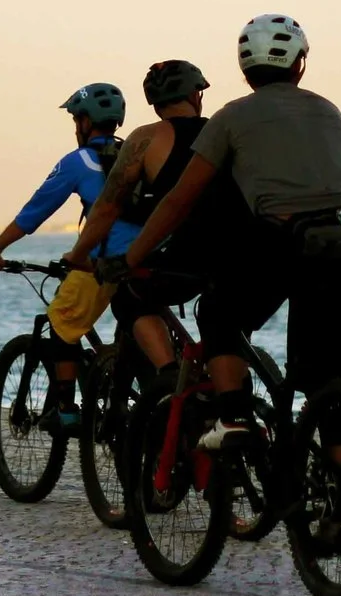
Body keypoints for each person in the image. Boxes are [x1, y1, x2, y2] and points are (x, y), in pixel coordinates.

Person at [118, 15, 341, 506]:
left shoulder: (232, 117)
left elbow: (180, 199)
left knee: (218, 313)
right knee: (326, 378)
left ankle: (234, 417)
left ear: (244, 68)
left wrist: (132, 255)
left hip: (280, 238)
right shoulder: (330, 110)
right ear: (300, 65)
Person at [63, 59, 247, 377]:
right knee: (224, 323)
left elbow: (108, 207)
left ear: (154, 102)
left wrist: (78, 255)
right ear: (196, 96)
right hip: (239, 255)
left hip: (183, 260)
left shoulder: (145, 138)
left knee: (129, 296)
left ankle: (168, 375)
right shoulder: (225, 132)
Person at [0, 82, 133, 431]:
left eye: (76, 120)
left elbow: (34, 212)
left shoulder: (78, 162)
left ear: (85, 122)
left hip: (103, 261)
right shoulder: (135, 154)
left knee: (62, 319)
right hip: (146, 257)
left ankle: (66, 411)